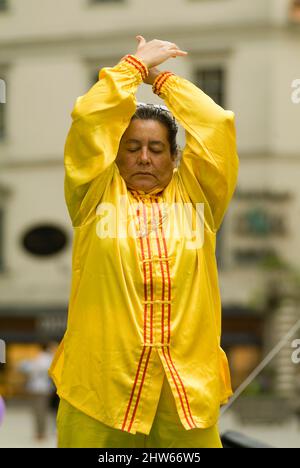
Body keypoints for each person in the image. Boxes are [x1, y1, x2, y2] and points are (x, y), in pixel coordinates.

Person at [49, 35, 239, 448]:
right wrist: (132, 67)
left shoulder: (198, 197)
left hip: (186, 391)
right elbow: (88, 116)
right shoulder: (94, 195)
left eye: (156, 148)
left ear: (175, 158)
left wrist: (161, 80)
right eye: (131, 148)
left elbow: (217, 124)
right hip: (98, 391)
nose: (144, 157)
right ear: (113, 156)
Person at [19, 343, 55, 440]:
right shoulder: (48, 358)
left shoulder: (38, 358)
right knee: (41, 411)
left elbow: (26, 368)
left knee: (38, 412)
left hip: (35, 388)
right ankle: (40, 433)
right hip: (43, 389)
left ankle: (40, 433)